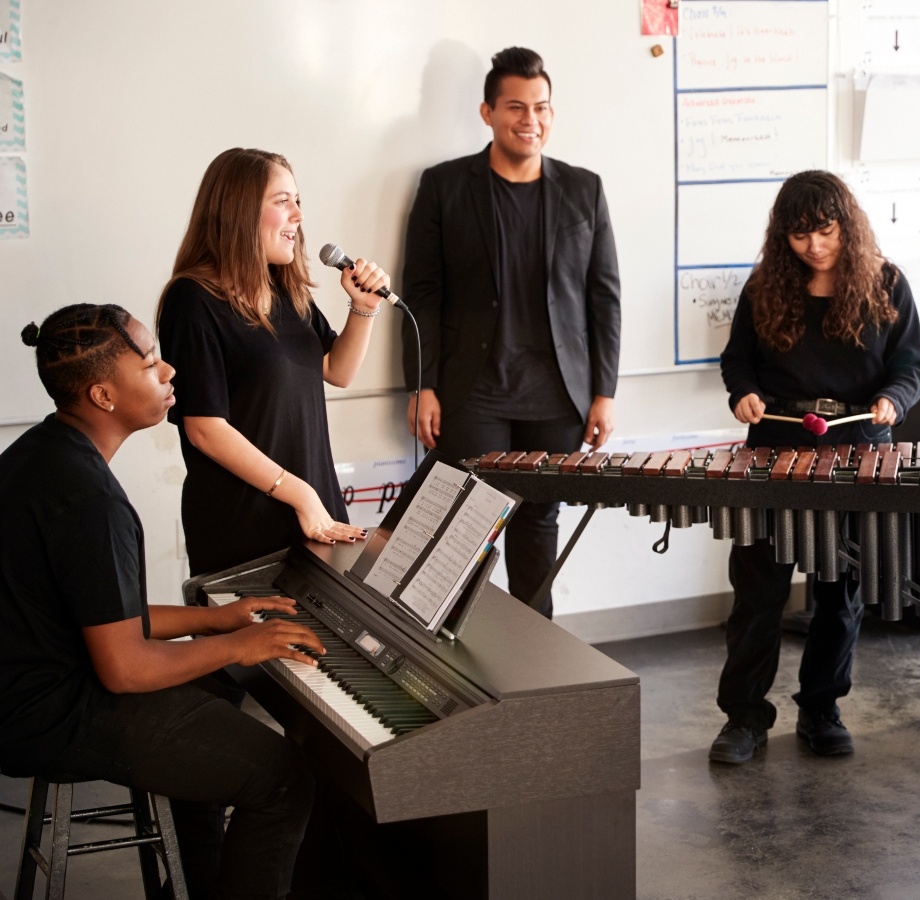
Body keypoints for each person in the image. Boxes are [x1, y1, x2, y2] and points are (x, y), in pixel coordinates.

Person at [1, 304, 325, 900]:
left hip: (32, 687)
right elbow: (125, 666)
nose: (169, 370)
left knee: (211, 710)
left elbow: (103, 616)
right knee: (284, 777)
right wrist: (241, 644)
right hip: (50, 715)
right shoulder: (90, 500)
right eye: (150, 362)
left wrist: (215, 617)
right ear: (103, 394)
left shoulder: (43, 453)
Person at [710, 170, 920, 765]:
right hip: (775, 447)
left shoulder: (886, 285)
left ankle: (821, 708)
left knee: (840, 593)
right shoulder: (765, 288)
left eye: (825, 232)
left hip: (858, 448)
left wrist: (894, 401)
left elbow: (913, 368)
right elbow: (738, 362)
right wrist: (744, 395)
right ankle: (745, 718)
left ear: (847, 226)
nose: (813, 246)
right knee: (758, 592)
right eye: (799, 235)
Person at [401, 46, 623, 618]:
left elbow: (604, 296)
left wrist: (604, 391)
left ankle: (534, 663)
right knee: (463, 524)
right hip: (473, 391)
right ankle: (447, 650)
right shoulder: (445, 187)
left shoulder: (584, 189)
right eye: (517, 108)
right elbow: (421, 293)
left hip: (557, 395)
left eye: (542, 107)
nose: (532, 121)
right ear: (488, 113)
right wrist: (421, 384)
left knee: (539, 524)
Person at [157, 147, 391, 576]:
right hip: (246, 524)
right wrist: (299, 494)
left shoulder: (286, 291)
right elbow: (204, 428)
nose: (298, 216)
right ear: (238, 211)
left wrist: (365, 308)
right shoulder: (192, 299)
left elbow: (336, 370)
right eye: (283, 202)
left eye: (298, 201)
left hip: (315, 511)